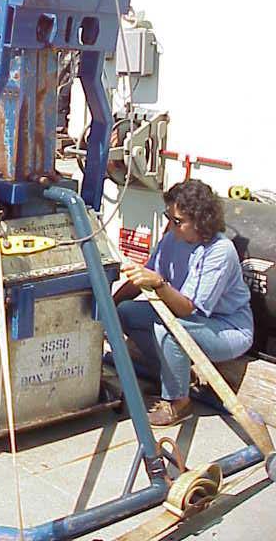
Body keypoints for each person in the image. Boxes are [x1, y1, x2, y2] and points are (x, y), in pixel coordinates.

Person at [112, 179, 253, 427]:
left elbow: (187, 308)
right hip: (190, 320)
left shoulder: (220, 251)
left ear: (201, 221)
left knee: (167, 329)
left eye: (177, 221)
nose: (171, 225)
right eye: (169, 217)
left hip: (227, 328)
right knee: (126, 312)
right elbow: (144, 276)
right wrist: (109, 306)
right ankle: (173, 375)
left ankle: (179, 403)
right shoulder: (172, 239)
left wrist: (159, 284)